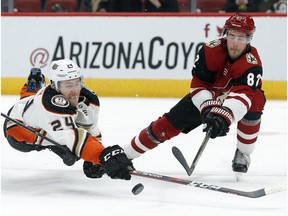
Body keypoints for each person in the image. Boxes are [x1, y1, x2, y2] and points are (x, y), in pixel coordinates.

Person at [123, 13, 266, 174]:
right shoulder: (209, 50)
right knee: (167, 124)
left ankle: (243, 153)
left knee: (257, 99)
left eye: (241, 39)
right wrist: (208, 109)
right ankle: (125, 154)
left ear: (249, 39)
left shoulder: (251, 62)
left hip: (235, 100)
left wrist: (224, 116)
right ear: (225, 34)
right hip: (207, 96)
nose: (234, 44)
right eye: (232, 36)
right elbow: (198, 85)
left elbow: (243, 95)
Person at [3, 59, 133, 180]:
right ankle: (33, 86)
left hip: (34, 108)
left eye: (77, 83)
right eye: (68, 85)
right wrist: (102, 156)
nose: (75, 91)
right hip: (17, 125)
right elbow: (70, 136)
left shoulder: (89, 99)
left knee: (71, 148)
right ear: (54, 86)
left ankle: (34, 83)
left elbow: (91, 128)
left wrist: (95, 160)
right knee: (64, 145)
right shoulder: (51, 103)